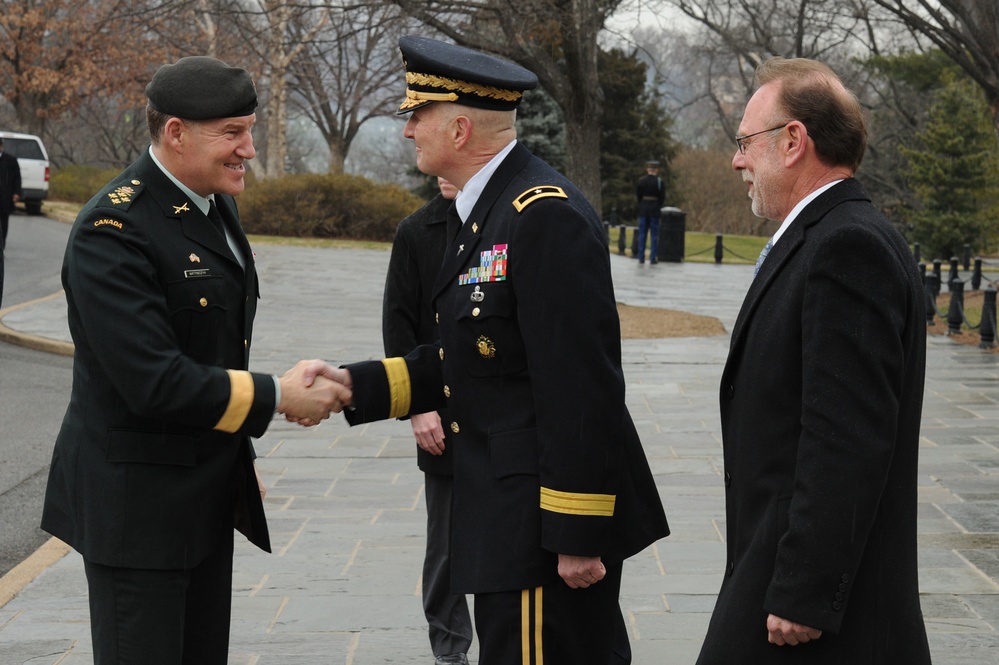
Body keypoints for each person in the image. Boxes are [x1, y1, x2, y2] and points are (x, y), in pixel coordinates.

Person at [299, 36, 669, 665]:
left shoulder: (538, 214)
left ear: (462, 128)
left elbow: (582, 387)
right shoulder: (486, 212)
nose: (409, 129)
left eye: (419, 115)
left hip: (539, 533)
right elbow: (478, 362)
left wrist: (576, 533)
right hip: (507, 518)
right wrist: (352, 385)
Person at [40, 56, 349, 665]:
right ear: (176, 132)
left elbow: (213, 350)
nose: (249, 150)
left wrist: (238, 452)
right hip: (139, 511)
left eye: (250, 130)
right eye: (233, 133)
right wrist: (277, 396)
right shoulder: (113, 227)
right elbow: (152, 380)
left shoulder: (213, 206)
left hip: (204, 495)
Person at [695, 57, 930, 664]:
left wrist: (805, 591)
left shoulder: (847, 246)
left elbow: (846, 439)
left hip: (811, 610)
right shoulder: (826, 236)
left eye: (745, 142)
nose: (736, 160)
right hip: (779, 577)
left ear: (794, 140)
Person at [382, 175, 474, 665]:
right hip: (440, 410)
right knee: (446, 544)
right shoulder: (416, 231)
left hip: (501, 415)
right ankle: (449, 648)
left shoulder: (510, 214)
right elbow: (397, 326)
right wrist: (417, 406)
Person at [0, 136, 22, 308]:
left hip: (5, 199)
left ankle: (3, 245)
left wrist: (16, 193)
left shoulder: (10, 160)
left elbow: (17, 178)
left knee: (4, 224)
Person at [634, 160, 664, 264]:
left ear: (648, 170)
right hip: (654, 209)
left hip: (643, 209)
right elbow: (662, 197)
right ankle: (652, 257)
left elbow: (638, 195)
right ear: (656, 170)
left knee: (642, 234)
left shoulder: (641, 181)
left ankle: (641, 256)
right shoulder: (659, 182)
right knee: (654, 235)